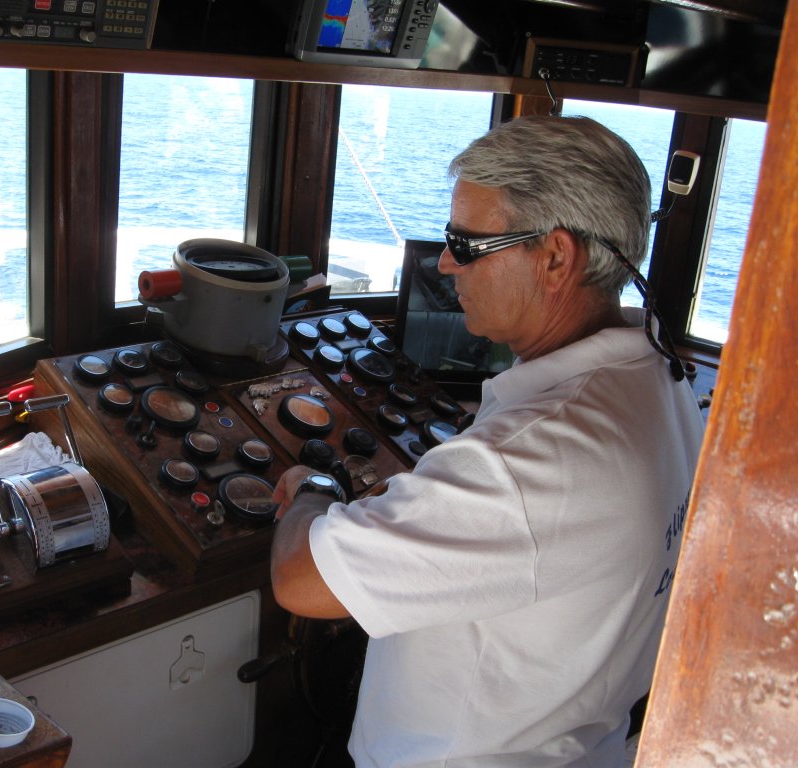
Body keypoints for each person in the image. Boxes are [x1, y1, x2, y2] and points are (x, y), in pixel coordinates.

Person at [271, 115, 706, 768]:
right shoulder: (661, 381)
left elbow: (302, 581)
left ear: (556, 257)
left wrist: (312, 490)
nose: (446, 262)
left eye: (465, 243)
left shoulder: (531, 459)